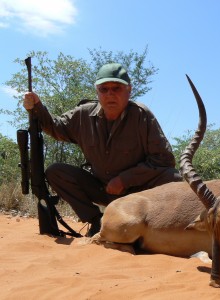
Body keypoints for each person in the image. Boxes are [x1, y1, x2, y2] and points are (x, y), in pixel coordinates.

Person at [23, 63, 183, 237]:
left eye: (116, 88)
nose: (110, 94)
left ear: (129, 90)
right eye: (104, 89)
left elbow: (164, 160)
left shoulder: (142, 115)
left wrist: (125, 180)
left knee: (173, 178)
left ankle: (164, 226)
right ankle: (97, 222)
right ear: (97, 91)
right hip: (102, 189)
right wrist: (37, 106)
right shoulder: (83, 114)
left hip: (137, 192)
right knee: (56, 172)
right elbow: (55, 127)